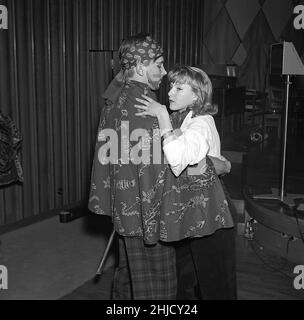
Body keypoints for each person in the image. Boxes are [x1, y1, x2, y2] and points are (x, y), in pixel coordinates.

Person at [134, 65, 237, 299]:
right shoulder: (182, 118)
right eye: (171, 86)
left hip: (213, 210)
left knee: (217, 286)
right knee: (183, 280)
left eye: (179, 88)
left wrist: (161, 117)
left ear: (196, 96)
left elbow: (178, 158)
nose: (170, 92)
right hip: (191, 209)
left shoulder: (202, 123)